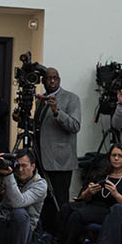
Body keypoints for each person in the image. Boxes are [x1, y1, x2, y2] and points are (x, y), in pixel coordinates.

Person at [35, 66, 81, 214]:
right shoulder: (41, 100)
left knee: (59, 202)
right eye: (48, 78)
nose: (52, 81)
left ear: (59, 80)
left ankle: (61, 234)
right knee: (44, 201)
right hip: (41, 159)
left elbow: (75, 125)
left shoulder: (71, 98)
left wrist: (57, 112)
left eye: (55, 78)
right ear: (43, 81)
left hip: (61, 162)